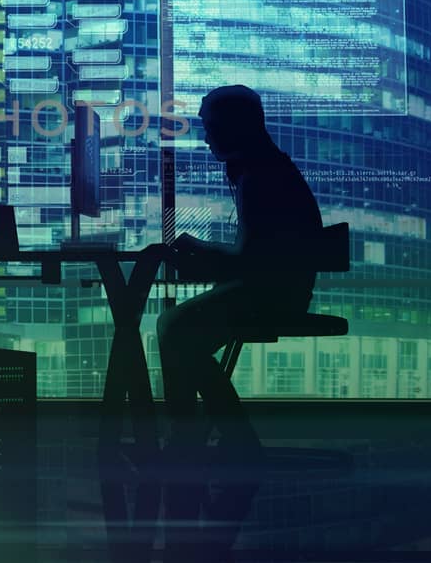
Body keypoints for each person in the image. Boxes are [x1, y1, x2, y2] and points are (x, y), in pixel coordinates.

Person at [150, 85, 322, 558]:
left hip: (271, 294)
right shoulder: (265, 168)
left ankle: (196, 437)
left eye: (209, 127)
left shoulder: (257, 175)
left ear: (233, 126)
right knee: (179, 330)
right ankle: (222, 433)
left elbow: (249, 258)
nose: (205, 138)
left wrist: (202, 254)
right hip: (278, 289)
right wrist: (209, 258)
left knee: (174, 329)